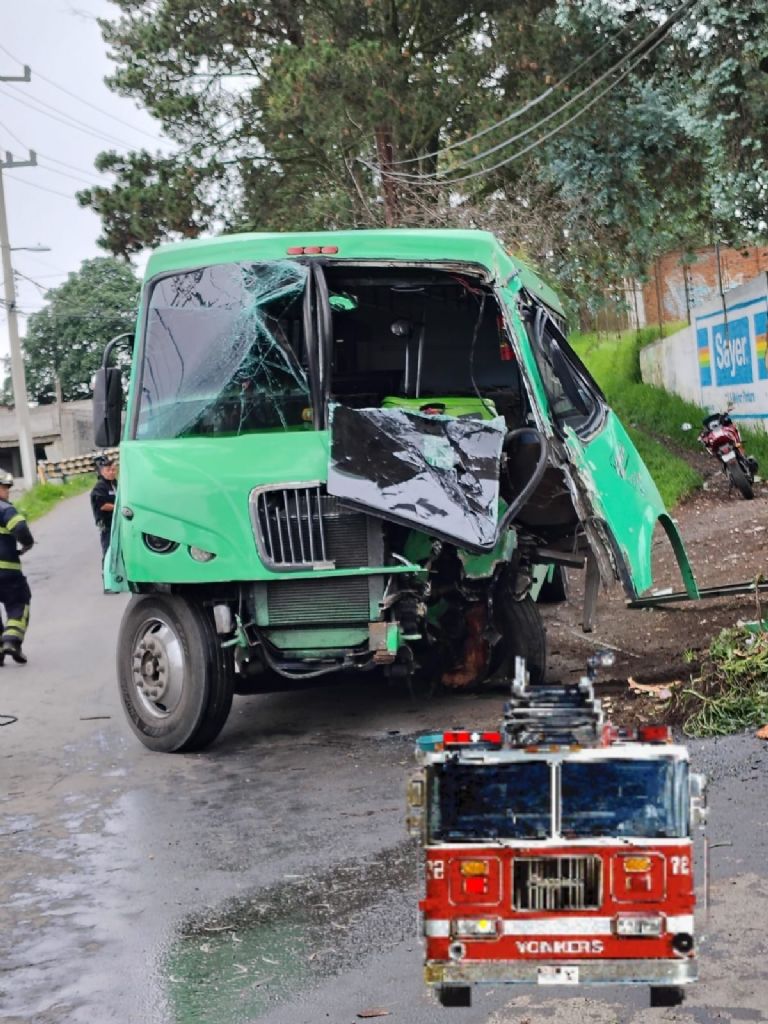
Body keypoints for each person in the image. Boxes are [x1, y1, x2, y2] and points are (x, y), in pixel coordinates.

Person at [0, 469, 34, 665]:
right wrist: (27, 543)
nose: (7, 492)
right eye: (4, 488)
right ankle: (12, 642)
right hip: (7, 572)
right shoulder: (4, 508)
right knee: (18, 604)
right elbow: (20, 528)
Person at [90, 455, 118, 561]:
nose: (111, 472)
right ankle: (106, 573)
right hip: (107, 525)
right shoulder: (100, 487)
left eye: (113, 470)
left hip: (117, 523)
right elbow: (103, 506)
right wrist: (119, 508)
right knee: (109, 551)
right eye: (108, 470)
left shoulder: (114, 483)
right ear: (102, 472)